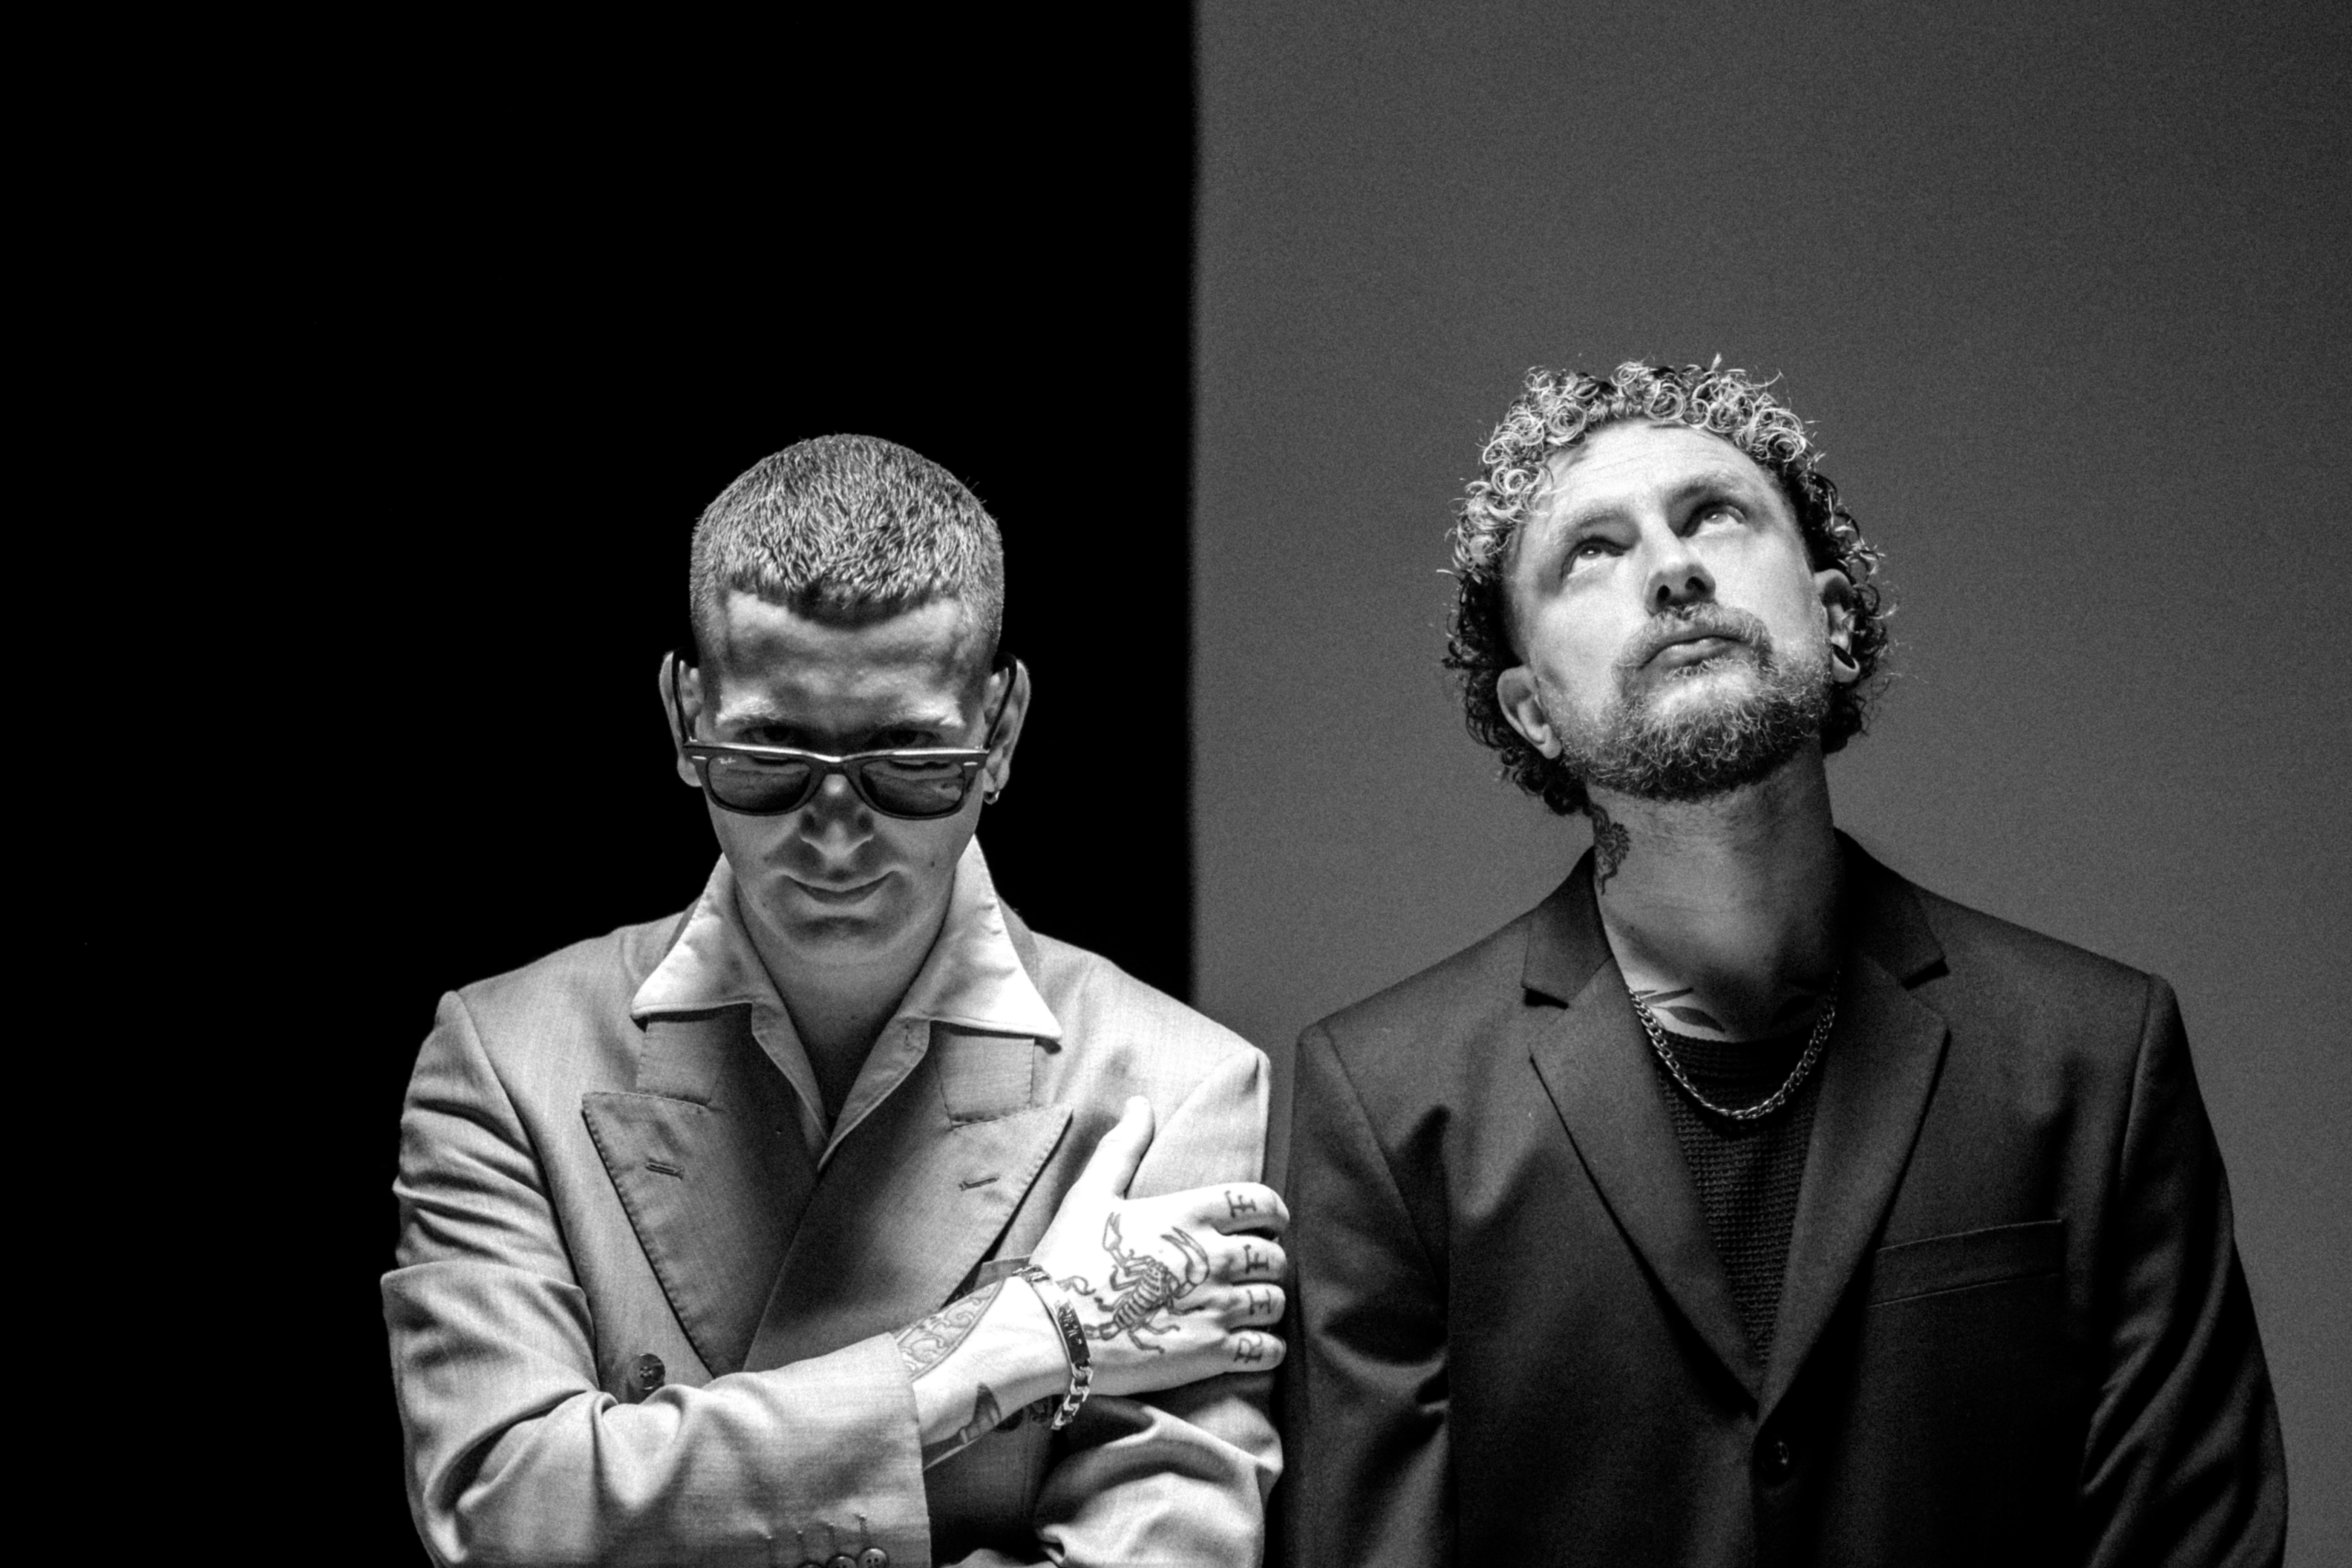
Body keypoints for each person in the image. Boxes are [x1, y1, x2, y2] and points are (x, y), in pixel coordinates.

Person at [1278, 362, 2286, 1565]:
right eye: (1593, 551)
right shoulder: (1390, 1106)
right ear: (1532, 709)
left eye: (1715, 515)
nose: (1674, 570)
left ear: (1837, 622)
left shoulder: (2095, 1058)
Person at [385, 434, 1288, 1567]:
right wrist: (1007, 1344)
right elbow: (503, 1507)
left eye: (910, 763)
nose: (836, 834)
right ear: (682, 717)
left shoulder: (1179, 1085)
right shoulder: (508, 1058)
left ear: (1002, 731)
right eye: (768, 756)